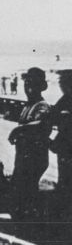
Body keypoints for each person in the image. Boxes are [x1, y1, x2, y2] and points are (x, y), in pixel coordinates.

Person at [9, 67, 52, 220]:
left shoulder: (42, 105)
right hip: (22, 156)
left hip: (35, 157)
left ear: (40, 86)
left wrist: (18, 130)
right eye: (26, 85)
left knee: (26, 190)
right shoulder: (27, 106)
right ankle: (24, 218)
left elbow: (41, 124)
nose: (28, 88)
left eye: (32, 85)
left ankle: (29, 223)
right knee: (19, 189)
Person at [50, 69, 72, 218]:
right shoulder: (65, 99)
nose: (60, 85)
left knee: (66, 180)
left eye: (62, 82)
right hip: (64, 145)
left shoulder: (66, 100)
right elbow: (53, 116)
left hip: (67, 145)